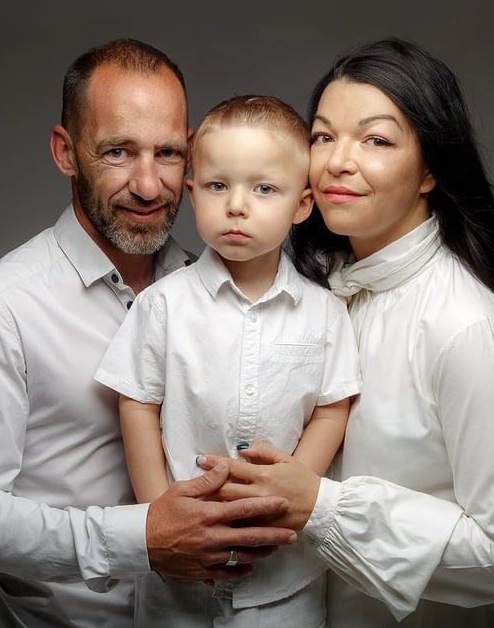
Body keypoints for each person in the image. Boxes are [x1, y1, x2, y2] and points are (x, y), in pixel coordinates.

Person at [0, 39, 298, 628]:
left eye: (169, 153)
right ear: (65, 151)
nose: (149, 186)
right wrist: (141, 538)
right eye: (118, 152)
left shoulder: (220, 288)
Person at [198, 38, 494, 627]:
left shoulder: (468, 327)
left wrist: (321, 506)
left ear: (429, 171)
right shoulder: (316, 292)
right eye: (323, 136)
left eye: (376, 140)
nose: (337, 162)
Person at [94, 95, 360, 627]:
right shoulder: (163, 305)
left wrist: (292, 490)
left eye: (264, 189)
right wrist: (158, 514)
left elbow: (334, 407)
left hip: (284, 578)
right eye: (218, 186)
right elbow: (137, 404)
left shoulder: (326, 313)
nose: (237, 205)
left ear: (302, 205)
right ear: (192, 194)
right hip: (177, 584)